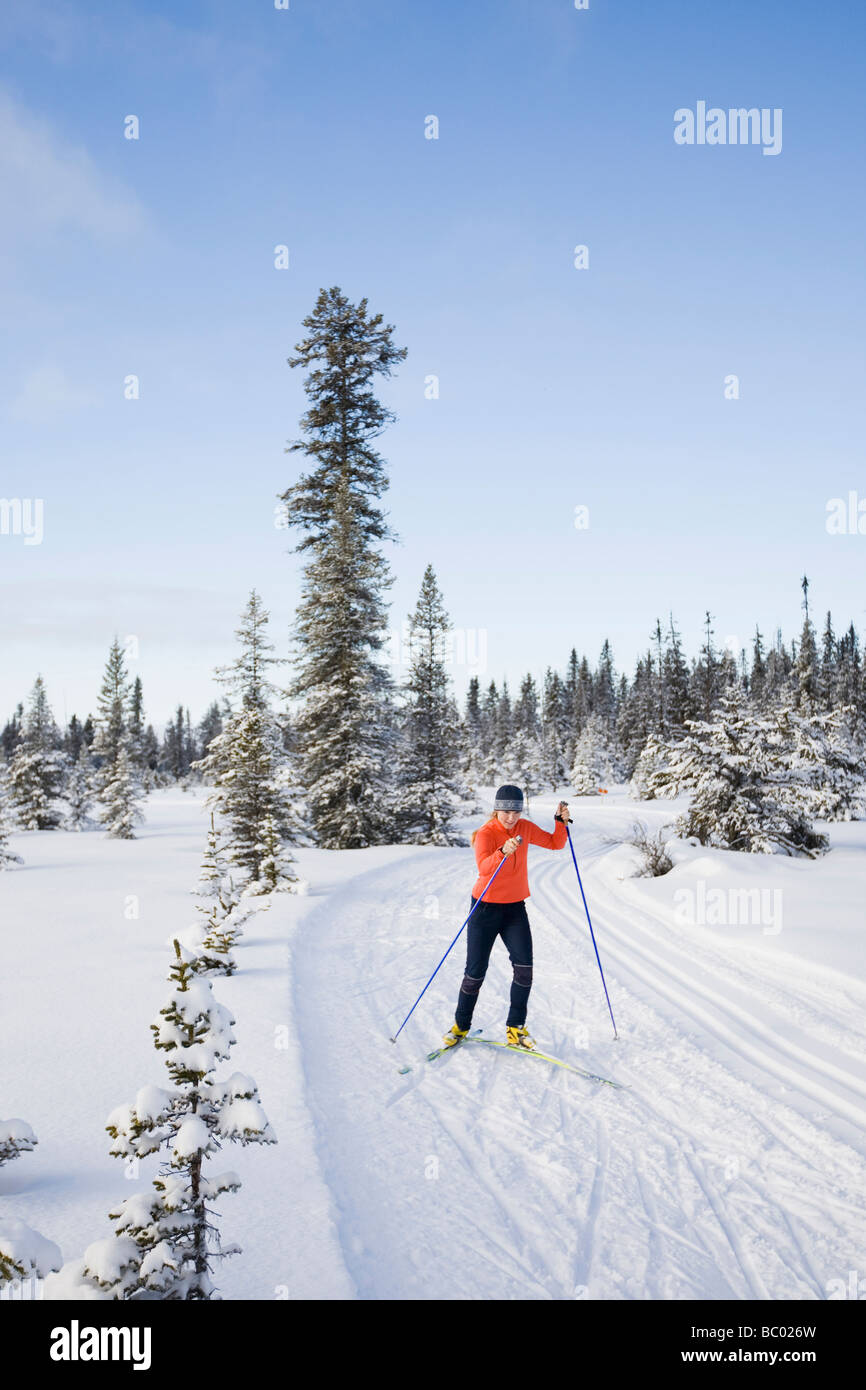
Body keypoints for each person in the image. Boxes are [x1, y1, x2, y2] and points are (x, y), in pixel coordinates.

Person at [443, 784, 571, 1051]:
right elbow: (483, 868)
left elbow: (555, 843)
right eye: (505, 811)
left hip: (514, 909)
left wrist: (560, 822)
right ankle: (460, 1027)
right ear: (496, 809)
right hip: (484, 909)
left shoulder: (524, 828)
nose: (511, 817)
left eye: (516, 811)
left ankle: (515, 1029)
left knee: (524, 970)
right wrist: (503, 851)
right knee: (475, 974)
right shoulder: (487, 834)